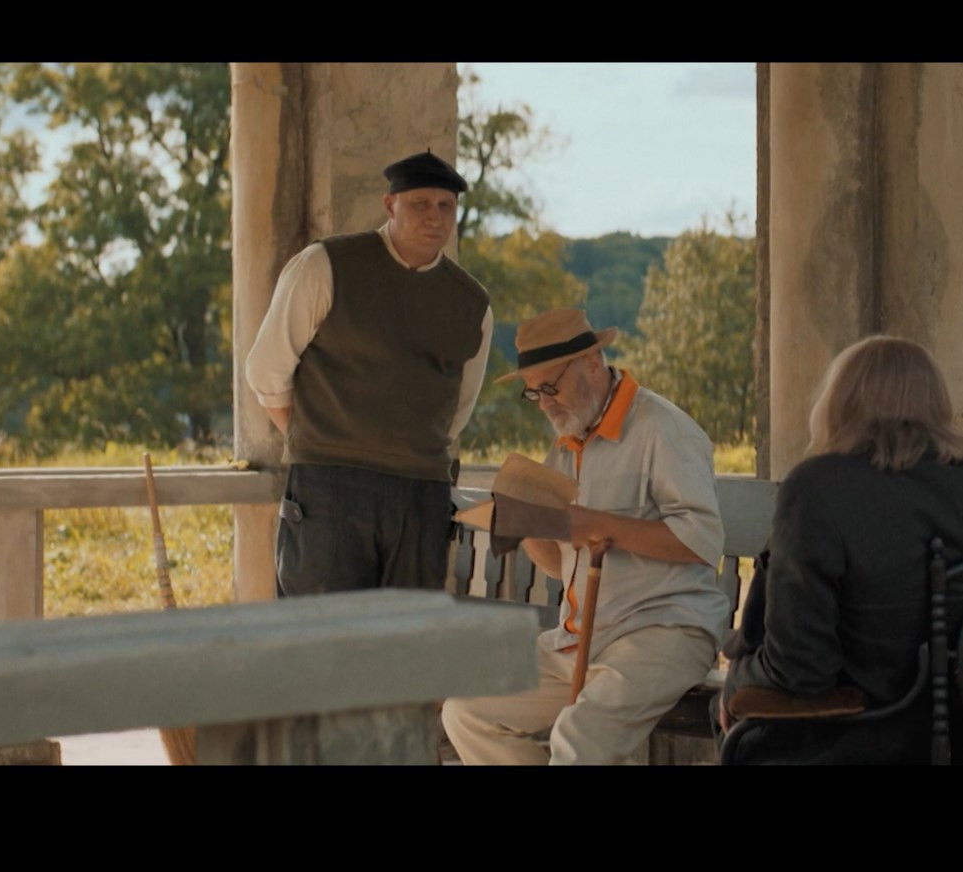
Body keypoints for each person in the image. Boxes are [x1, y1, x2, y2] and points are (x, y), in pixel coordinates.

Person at [720, 334, 963, 763]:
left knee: (735, 723)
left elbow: (801, 669)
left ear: (838, 404)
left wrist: (737, 681)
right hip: (955, 743)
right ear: (936, 406)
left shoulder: (817, 488)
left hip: (838, 743)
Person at [441, 308, 730, 765]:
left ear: (593, 363)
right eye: (533, 392)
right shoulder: (568, 441)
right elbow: (561, 567)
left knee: (580, 739)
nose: (544, 404)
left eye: (550, 387)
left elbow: (701, 542)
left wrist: (595, 525)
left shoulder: (663, 428)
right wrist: (525, 524)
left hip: (663, 629)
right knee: (467, 710)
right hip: (581, 638)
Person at [245, 150, 492, 597]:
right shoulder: (325, 265)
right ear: (390, 205)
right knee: (323, 628)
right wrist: (317, 440)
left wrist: (409, 451)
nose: (434, 217)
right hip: (328, 487)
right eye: (420, 204)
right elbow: (267, 369)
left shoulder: (471, 303)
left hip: (420, 495)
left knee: (406, 633)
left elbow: (459, 406)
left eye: (446, 206)